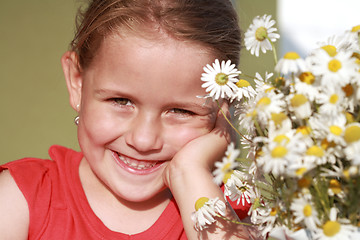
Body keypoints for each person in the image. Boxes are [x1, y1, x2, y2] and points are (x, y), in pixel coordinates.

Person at [0, 0, 253, 239]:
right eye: (121, 101)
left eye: (181, 111)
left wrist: (189, 173)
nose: (143, 140)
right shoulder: (20, 200)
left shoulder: (233, 215)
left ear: (224, 109)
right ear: (77, 82)